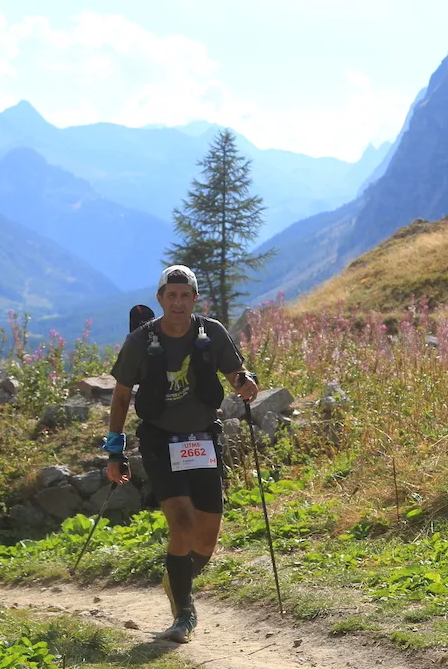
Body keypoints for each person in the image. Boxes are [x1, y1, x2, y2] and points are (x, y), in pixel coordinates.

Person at [103, 264, 258, 643]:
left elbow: (237, 374)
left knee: (206, 541)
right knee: (183, 525)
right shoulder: (141, 340)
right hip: (159, 440)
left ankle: (176, 580)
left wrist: (246, 384)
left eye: (184, 295)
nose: (177, 302)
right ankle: (184, 613)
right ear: (160, 299)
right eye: (171, 295)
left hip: (203, 438)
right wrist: (115, 450)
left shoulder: (212, 332)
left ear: (195, 298)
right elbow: (121, 397)